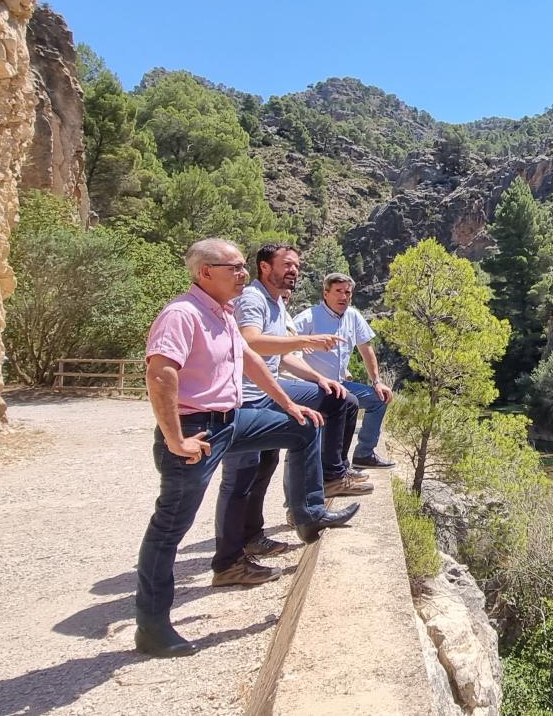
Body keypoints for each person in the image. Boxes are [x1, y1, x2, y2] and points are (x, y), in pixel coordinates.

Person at [137, 238, 359, 658]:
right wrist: (174, 439)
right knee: (170, 526)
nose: (242, 274)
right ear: (205, 273)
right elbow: (161, 374)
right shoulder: (182, 314)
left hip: (232, 420)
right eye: (234, 268)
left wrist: (289, 404)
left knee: (302, 428)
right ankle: (151, 625)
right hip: (196, 429)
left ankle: (309, 514)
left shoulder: (220, 313)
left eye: (243, 267)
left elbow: (249, 361)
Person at [213, 244, 372, 589]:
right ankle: (229, 559)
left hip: (266, 393)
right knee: (242, 475)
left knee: (337, 399)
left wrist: (319, 378)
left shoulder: (277, 303)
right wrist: (308, 341)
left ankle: (323, 482)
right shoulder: (254, 299)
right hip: (245, 399)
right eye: (286, 265)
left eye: (297, 266)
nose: (294, 271)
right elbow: (252, 343)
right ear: (264, 266)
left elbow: (282, 358)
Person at [294, 273, 396, 469]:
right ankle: (334, 469)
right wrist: (300, 346)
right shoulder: (308, 318)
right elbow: (284, 346)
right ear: (326, 294)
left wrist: (377, 382)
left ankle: (364, 454)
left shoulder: (353, 316)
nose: (343, 297)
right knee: (346, 406)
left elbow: (366, 349)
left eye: (347, 292)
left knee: (379, 399)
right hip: (313, 386)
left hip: (340, 383)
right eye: (338, 291)